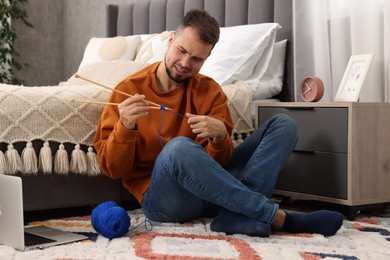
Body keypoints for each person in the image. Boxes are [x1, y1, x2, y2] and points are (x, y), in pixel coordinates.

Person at [93, 9, 343, 237]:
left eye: (196, 59)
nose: (185, 64)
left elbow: (220, 165)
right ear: (170, 40)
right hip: (166, 200)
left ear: (207, 58)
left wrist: (221, 138)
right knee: (179, 148)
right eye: (181, 50)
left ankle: (235, 215)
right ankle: (275, 217)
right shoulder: (128, 90)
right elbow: (112, 170)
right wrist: (125, 128)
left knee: (285, 124)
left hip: (212, 193)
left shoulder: (211, 91)